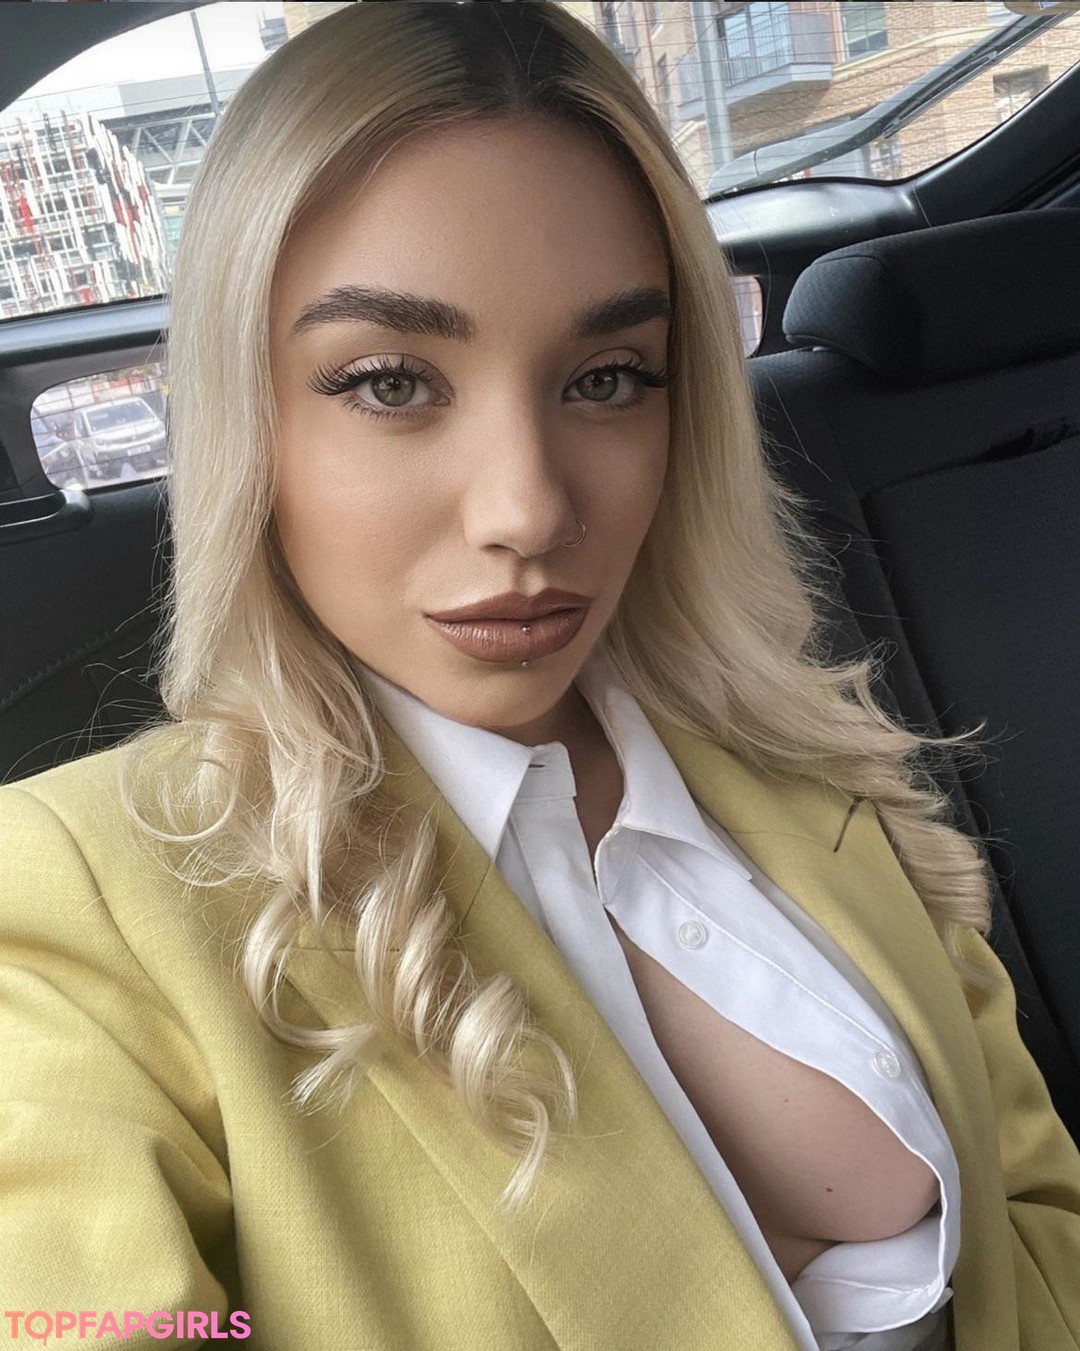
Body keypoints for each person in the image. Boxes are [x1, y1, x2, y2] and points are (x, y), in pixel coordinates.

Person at [1, 4, 1077, 1349]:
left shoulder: (817, 762)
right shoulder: (70, 907)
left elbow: (1040, 1215)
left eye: (608, 379)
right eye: (391, 383)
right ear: (247, 415)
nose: (528, 510)